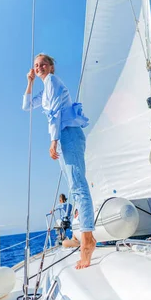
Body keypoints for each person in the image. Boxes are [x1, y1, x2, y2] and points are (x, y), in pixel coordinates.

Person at [23, 53, 96, 269]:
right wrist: (29, 82)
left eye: (43, 64)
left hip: (68, 135)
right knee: (73, 188)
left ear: (52, 67)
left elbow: (54, 113)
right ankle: (78, 233)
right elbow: (27, 105)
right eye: (36, 65)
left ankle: (88, 241)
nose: (39, 67)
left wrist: (53, 142)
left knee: (79, 186)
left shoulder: (53, 81)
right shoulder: (44, 88)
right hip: (64, 136)